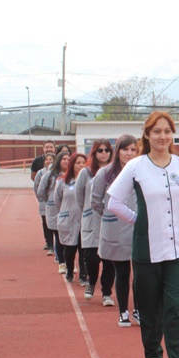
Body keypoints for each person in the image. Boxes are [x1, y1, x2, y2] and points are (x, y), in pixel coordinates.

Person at [107, 112, 179, 358]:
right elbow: (114, 202)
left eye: (167, 131)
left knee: (175, 306)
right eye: (157, 132)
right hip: (146, 249)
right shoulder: (136, 166)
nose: (163, 136)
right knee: (150, 307)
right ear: (147, 135)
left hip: (178, 250)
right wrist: (139, 219)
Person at [92, 135, 138, 321]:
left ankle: (138, 310)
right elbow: (95, 200)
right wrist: (110, 215)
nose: (129, 153)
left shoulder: (142, 171)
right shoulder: (106, 173)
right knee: (122, 271)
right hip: (115, 229)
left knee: (141, 273)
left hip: (138, 227)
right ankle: (123, 312)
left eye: (133, 149)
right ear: (117, 151)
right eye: (125, 149)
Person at [77, 139, 115, 300]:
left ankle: (106, 292)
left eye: (107, 150)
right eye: (100, 150)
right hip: (91, 219)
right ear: (94, 153)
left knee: (110, 260)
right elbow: (79, 197)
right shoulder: (85, 173)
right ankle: (92, 282)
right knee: (91, 259)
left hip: (110, 220)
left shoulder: (115, 173)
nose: (104, 153)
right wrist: (87, 211)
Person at [55, 152, 88, 284]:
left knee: (84, 249)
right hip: (68, 219)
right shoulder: (63, 182)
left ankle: (83, 276)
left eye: (83, 163)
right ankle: (69, 269)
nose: (81, 165)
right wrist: (64, 212)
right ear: (72, 164)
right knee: (69, 250)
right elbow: (57, 201)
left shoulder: (89, 181)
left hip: (84, 219)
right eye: (78, 163)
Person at [38, 151, 70, 273]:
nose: (66, 161)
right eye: (64, 159)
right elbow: (41, 190)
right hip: (54, 210)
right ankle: (62, 262)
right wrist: (49, 200)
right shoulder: (50, 174)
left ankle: (70, 262)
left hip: (68, 209)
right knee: (58, 235)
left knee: (70, 238)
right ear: (58, 161)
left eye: (68, 159)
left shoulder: (73, 174)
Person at [34, 153, 56, 253]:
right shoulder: (40, 173)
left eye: (50, 159)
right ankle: (49, 243)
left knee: (55, 225)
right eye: (46, 159)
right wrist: (42, 199)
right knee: (46, 223)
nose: (48, 161)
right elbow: (37, 187)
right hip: (44, 202)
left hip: (55, 203)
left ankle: (56, 244)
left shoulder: (58, 173)